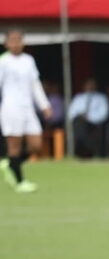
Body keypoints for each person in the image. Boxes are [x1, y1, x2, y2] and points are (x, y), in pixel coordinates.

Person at [0, 29, 52, 193]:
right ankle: (20, 182)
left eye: (18, 40)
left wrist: (44, 105)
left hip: (28, 108)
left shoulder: (29, 60)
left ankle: (10, 164)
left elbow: (35, 84)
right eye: (12, 40)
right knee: (14, 145)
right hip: (11, 107)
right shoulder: (3, 61)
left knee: (36, 145)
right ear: (6, 43)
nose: (15, 44)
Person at [67, 78, 109, 159]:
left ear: (96, 86)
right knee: (79, 124)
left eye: (92, 85)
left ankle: (89, 152)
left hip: (95, 123)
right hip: (79, 122)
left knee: (85, 127)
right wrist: (82, 116)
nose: (90, 87)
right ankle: (81, 150)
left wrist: (89, 118)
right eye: (88, 84)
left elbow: (103, 114)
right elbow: (71, 113)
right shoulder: (78, 98)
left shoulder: (101, 97)